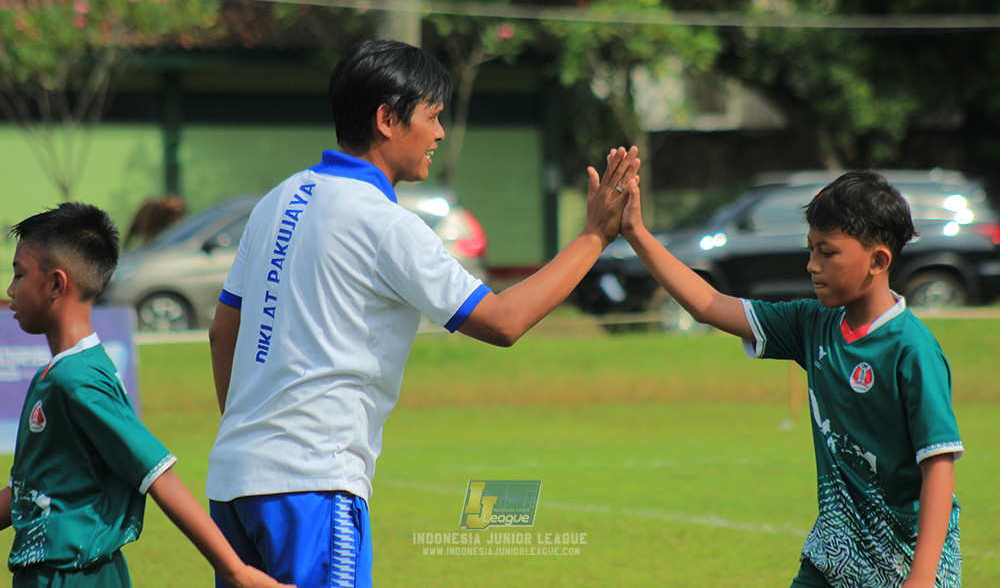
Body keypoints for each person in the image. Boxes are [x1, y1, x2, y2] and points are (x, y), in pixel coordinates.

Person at [205, 39, 639, 588]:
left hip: (233, 483)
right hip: (312, 483)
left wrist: (252, 437)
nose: (438, 134)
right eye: (432, 117)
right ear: (387, 119)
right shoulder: (387, 225)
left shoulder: (277, 200)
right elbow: (502, 322)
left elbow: (224, 333)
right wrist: (594, 236)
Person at [619, 171, 961, 588]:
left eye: (827, 252)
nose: (812, 264)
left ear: (878, 260)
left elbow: (938, 464)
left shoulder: (913, 350)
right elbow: (709, 305)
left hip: (902, 565)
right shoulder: (812, 323)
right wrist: (636, 233)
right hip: (832, 557)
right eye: (810, 249)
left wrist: (922, 578)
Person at [1, 202, 292, 588]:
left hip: (75, 577)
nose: (10, 289)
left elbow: (159, 476)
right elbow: (26, 492)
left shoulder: (80, 381)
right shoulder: (53, 376)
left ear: (57, 283)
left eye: (19, 274)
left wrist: (236, 572)